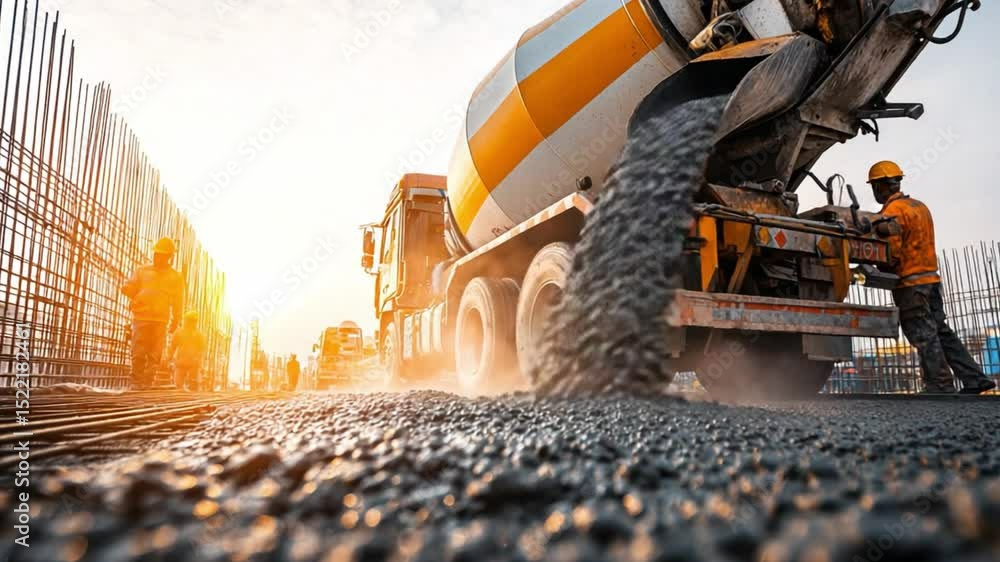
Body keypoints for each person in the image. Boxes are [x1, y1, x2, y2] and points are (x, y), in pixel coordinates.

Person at [869, 161, 996, 394]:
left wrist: (877, 265)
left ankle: (940, 384)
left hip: (910, 284)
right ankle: (975, 378)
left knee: (923, 334)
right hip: (931, 281)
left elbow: (891, 252)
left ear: (880, 186)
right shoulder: (919, 206)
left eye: (874, 187)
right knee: (940, 331)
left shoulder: (892, 212)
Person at [121, 237, 184, 390]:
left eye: (162, 255)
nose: (158, 257)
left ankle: (147, 382)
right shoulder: (142, 270)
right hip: (141, 316)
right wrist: (128, 289)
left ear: (169, 257)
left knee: (155, 354)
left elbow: (178, 301)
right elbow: (131, 285)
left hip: (160, 319)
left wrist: (176, 319)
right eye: (156, 254)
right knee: (138, 351)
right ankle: (136, 382)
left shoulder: (175, 277)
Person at [169, 310, 207, 391]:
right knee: (179, 387)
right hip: (181, 363)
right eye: (189, 320)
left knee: (193, 386)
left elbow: (202, 349)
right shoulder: (179, 332)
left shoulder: (198, 334)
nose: (191, 322)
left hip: (193, 363)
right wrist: (170, 358)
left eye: (193, 321)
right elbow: (173, 346)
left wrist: (199, 360)